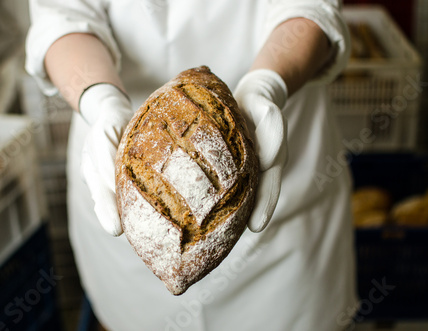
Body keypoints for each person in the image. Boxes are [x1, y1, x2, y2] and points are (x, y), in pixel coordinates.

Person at [26, 1, 358, 330]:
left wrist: (268, 85)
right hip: (124, 185)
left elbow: (311, 8)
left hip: (283, 194)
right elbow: (63, 16)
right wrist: (101, 101)